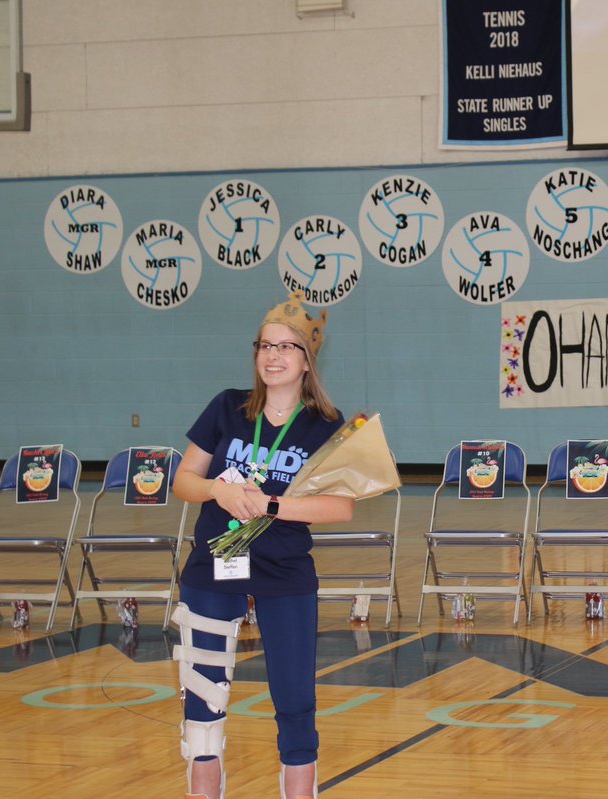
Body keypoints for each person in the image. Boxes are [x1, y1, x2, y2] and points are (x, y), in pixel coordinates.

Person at [171, 290, 354, 799]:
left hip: (284, 568)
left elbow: (341, 507)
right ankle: (204, 781)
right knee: (203, 684)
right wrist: (218, 490)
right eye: (265, 346)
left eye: (286, 347)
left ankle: (300, 784)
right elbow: (184, 480)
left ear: (307, 360)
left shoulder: (326, 425)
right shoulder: (226, 408)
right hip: (216, 562)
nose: (273, 356)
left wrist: (269, 505)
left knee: (294, 691)